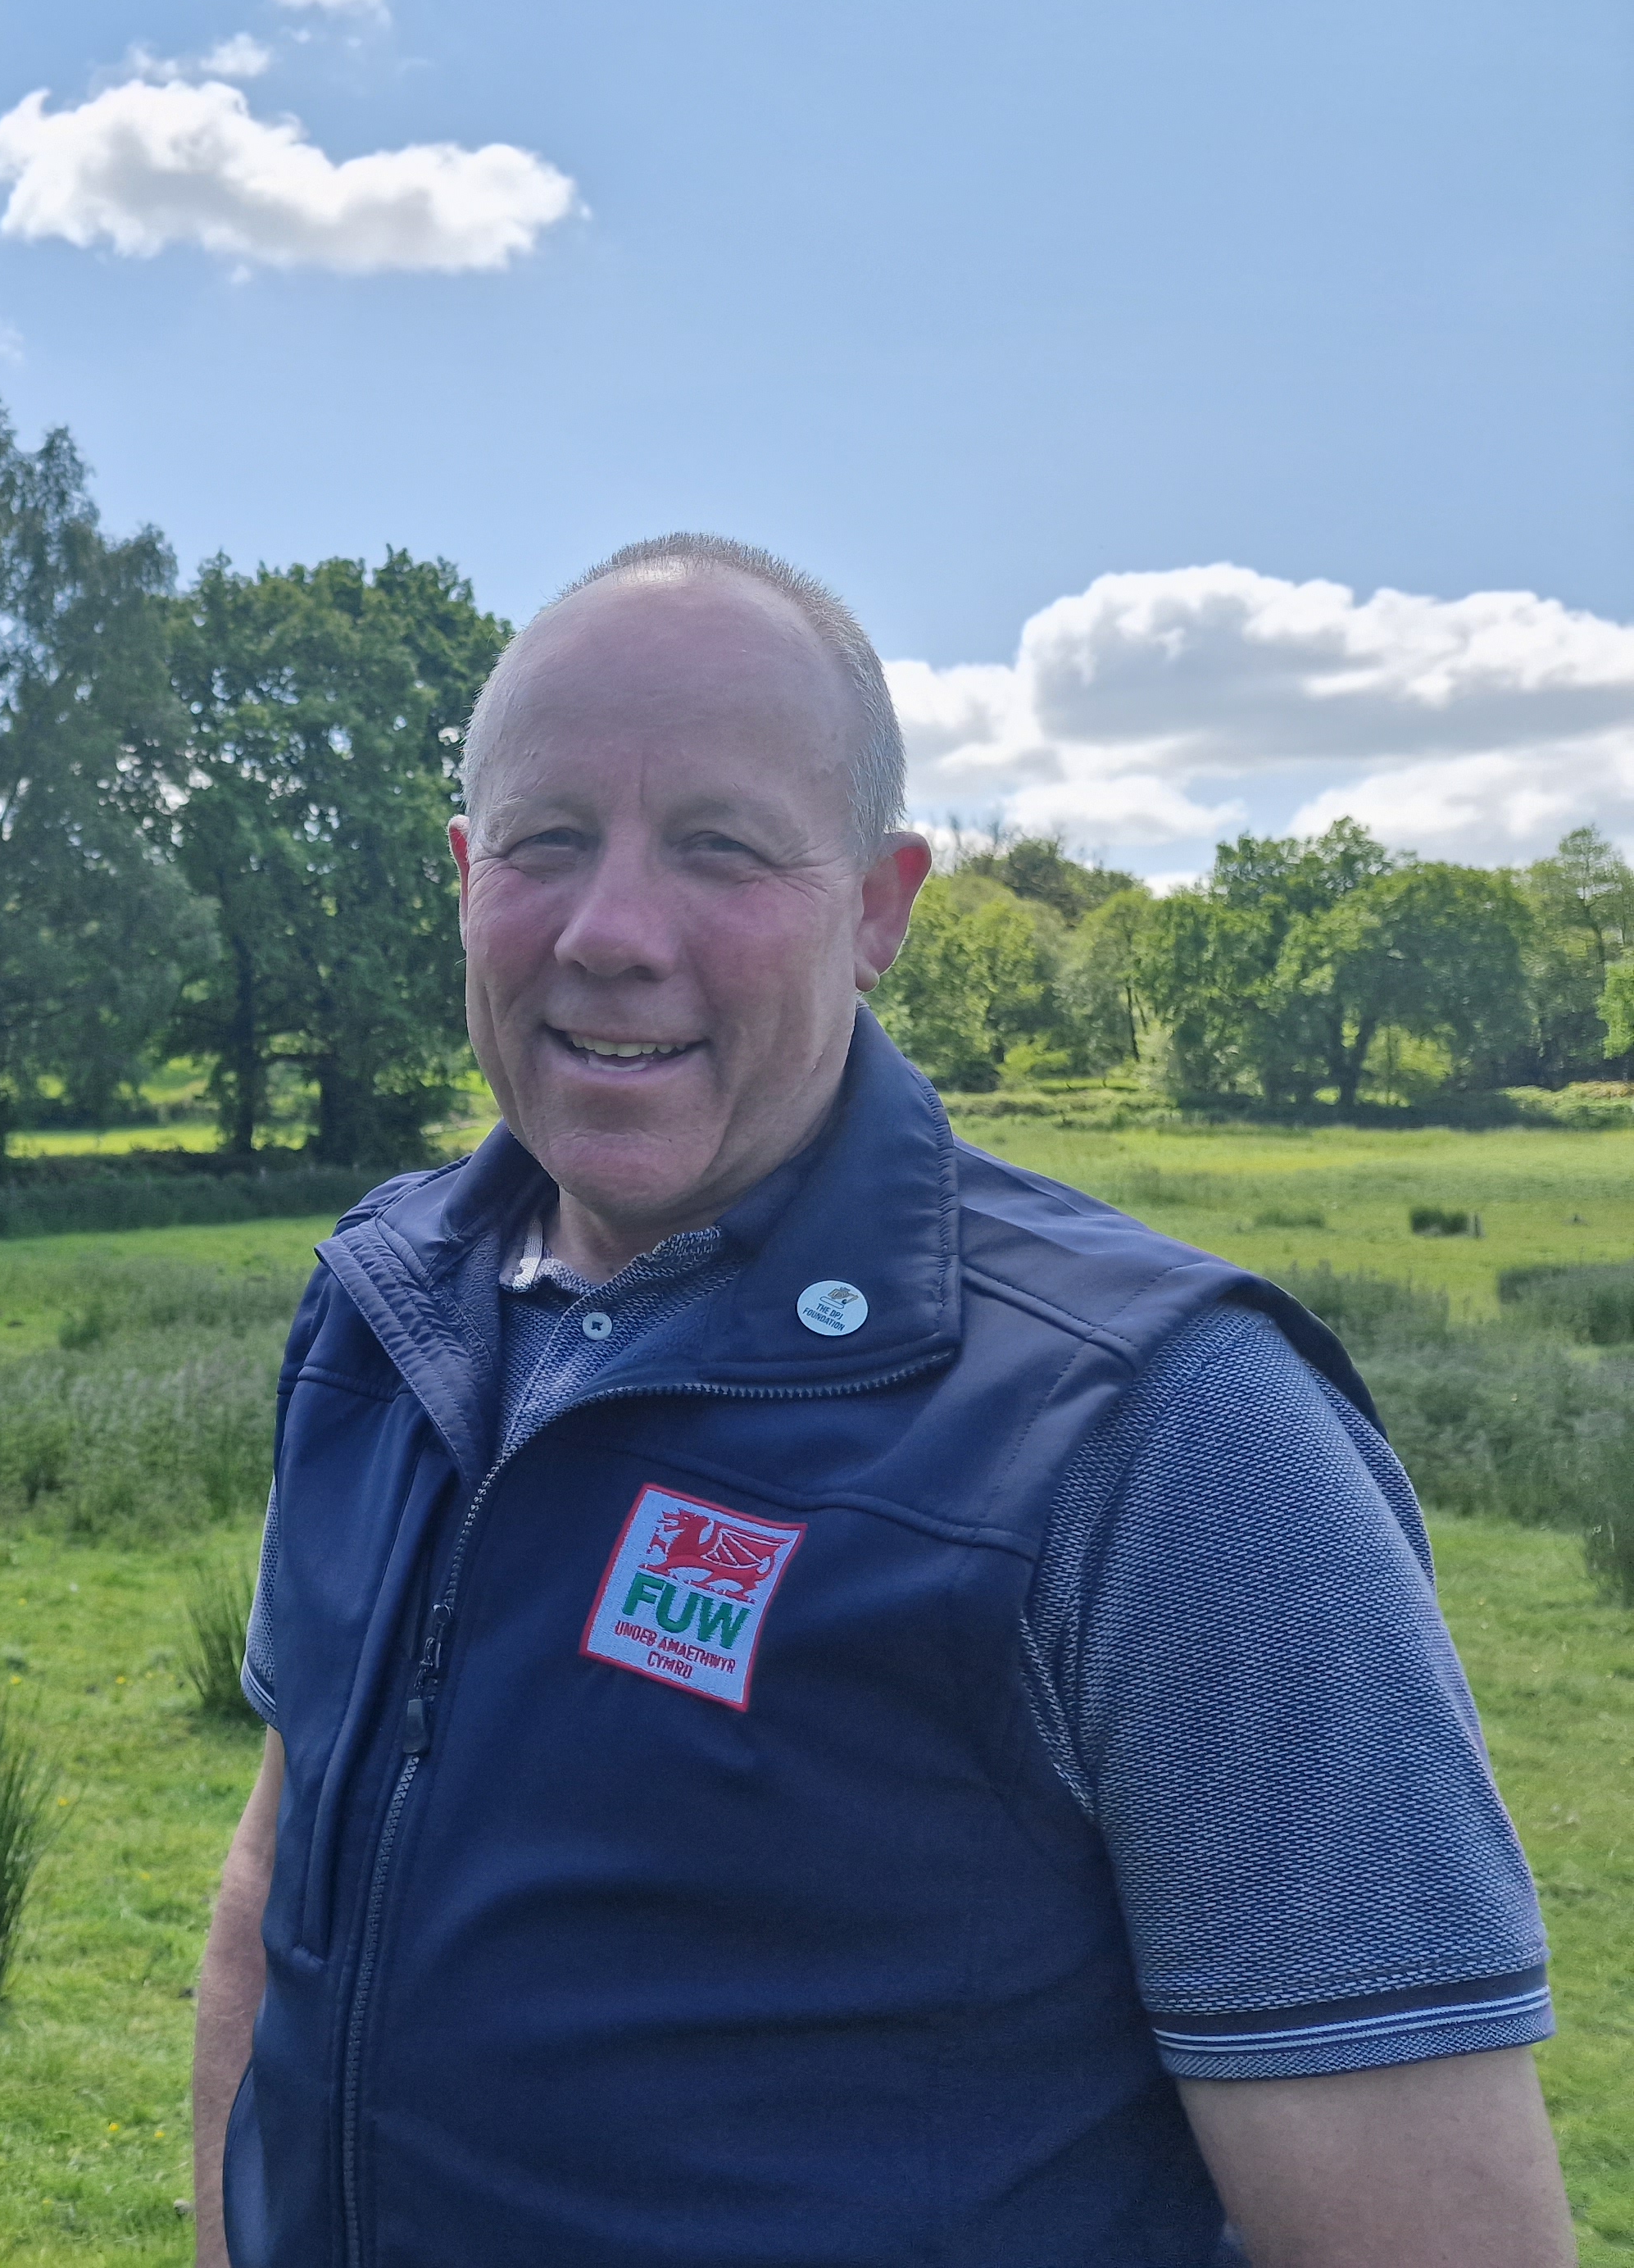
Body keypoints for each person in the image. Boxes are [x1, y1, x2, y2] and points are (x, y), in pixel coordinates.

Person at [190, 535, 1573, 2268]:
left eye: (717, 846)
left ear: (880, 906)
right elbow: (277, 1888)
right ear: (465, 877)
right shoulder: (382, 1314)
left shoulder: (1168, 1439)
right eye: (545, 843)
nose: (611, 932)